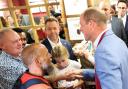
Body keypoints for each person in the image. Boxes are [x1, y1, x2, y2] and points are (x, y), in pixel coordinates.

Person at [79, 7, 128, 89]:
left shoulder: (103, 51)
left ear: (91, 24)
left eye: (81, 25)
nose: (80, 29)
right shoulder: (118, 41)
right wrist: (83, 72)